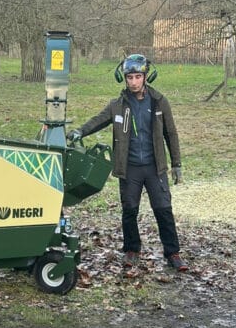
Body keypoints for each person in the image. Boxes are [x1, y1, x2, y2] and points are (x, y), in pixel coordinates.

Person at [67, 53, 188, 270]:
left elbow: (171, 133)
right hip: (130, 167)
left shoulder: (159, 101)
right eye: (130, 77)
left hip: (154, 167)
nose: (133, 82)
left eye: (137, 77)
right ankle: (132, 250)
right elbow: (98, 120)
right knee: (129, 209)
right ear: (124, 78)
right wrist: (80, 131)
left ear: (145, 77)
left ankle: (173, 253)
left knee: (163, 209)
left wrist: (176, 164)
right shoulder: (118, 105)